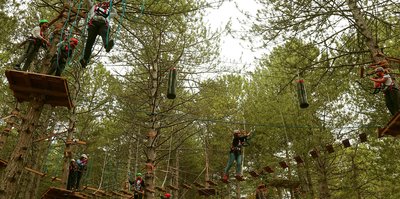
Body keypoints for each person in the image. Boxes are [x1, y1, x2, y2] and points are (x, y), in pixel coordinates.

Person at [80, 0, 117, 68]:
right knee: (89, 42)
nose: (103, 5)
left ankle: (107, 45)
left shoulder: (108, 12)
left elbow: (115, 13)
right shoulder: (94, 7)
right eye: (102, 4)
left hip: (103, 25)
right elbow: (88, 2)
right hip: (93, 24)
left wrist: (111, 5)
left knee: (105, 33)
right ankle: (85, 59)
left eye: (105, 5)